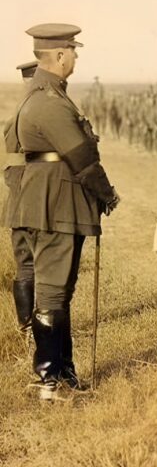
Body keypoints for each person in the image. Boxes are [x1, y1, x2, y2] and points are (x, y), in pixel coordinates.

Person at [13, 24, 119, 400]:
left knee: (59, 292)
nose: (75, 56)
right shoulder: (50, 102)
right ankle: (48, 381)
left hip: (52, 203)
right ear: (59, 56)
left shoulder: (46, 96)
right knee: (54, 294)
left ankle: (63, 374)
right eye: (72, 51)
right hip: (55, 205)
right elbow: (82, 158)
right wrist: (107, 194)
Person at [5, 60, 39, 336]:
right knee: (49, 267)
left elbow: (9, 170)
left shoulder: (15, 116)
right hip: (39, 205)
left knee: (25, 264)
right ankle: (38, 328)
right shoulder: (39, 113)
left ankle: (26, 327)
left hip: (18, 205)